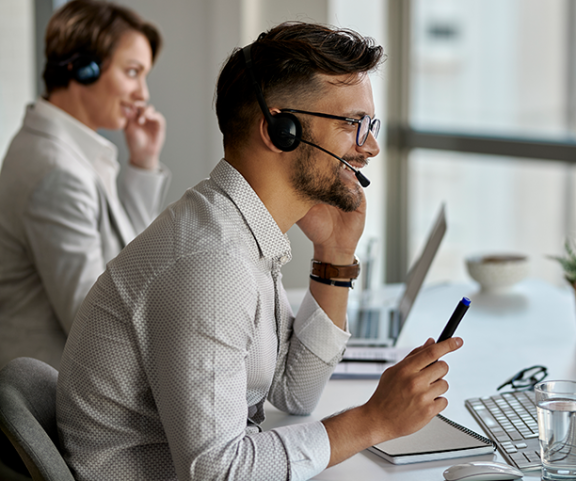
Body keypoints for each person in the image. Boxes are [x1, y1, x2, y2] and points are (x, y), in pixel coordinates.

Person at [56, 22, 463, 481]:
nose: (370, 146)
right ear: (279, 129)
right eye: (355, 124)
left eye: (371, 125)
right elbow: (219, 472)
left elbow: (294, 392)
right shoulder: (212, 264)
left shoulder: (238, 230)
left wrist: (334, 254)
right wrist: (373, 421)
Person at [0, 0, 170, 370]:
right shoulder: (58, 171)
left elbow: (127, 265)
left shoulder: (66, 150)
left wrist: (142, 163)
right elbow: (94, 322)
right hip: (53, 404)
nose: (143, 94)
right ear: (83, 69)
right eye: (132, 72)